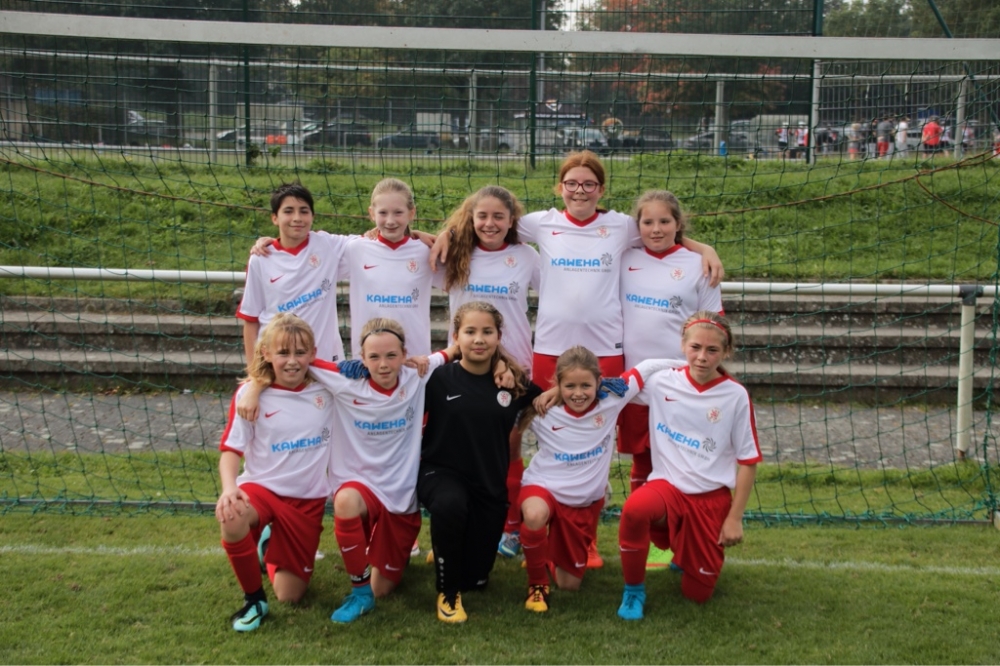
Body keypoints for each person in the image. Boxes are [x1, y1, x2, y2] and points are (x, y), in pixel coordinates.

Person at [430, 150, 724, 568]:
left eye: (588, 184)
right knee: (521, 435)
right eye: (571, 183)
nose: (579, 191)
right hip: (549, 351)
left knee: (596, 442)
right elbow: (489, 221)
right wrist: (446, 233)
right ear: (559, 187)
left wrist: (702, 246)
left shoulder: (621, 226)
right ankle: (519, 526)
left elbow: (661, 230)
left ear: (601, 189)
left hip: (605, 353)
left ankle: (585, 539)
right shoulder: (540, 223)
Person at [616, 311, 762, 621]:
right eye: (695, 347)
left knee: (697, 594)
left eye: (712, 350)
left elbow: (748, 462)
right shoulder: (661, 382)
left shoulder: (735, 395)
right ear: (682, 345)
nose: (702, 357)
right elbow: (607, 390)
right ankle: (633, 592)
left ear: (726, 352)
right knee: (634, 510)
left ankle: (686, 550)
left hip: (710, 499)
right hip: (667, 486)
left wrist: (734, 518)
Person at [516, 346, 676, 613]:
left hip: (581, 504)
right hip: (543, 488)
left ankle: (549, 553)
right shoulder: (541, 408)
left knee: (569, 585)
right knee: (534, 515)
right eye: (569, 386)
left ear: (599, 382)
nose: (578, 393)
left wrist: (692, 366)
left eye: (585, 386)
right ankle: (537, 585)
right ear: (557, 384)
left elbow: (646, 367)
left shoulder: (612, 398)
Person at [418, 301, 541, 623]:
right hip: (440, 472)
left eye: (487, 332)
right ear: (456, 337)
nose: (478, 339)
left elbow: (549, 398)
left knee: (476, 580)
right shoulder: (438, 379)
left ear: (498, 336)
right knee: (450, 504)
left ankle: (450, 551)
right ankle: (447, 595)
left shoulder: (511, 382)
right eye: (470, 331)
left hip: (487, 484)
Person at [436, 185, 541, 560]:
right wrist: (436, 235)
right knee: (461, 447)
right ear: (471, 218)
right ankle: (459, 525)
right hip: (464, 366)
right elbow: (403, 249)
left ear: (512, 220)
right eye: (482, 215)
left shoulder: (526, 256)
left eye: (499, 216)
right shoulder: (455, 253)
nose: (490, 223)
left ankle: (511, 528)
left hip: (513, 367)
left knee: (508, 446)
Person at [216, 313, 332, 632]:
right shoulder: (249, 396)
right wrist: (229, 489)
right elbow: (231, 450)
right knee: (232, 514)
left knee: (290, 595)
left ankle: (267, 546)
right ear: (266, 353)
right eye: (283, 353)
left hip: (306, 500)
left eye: (300, 352)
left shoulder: (328, 390)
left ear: (313, 353)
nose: (292, 361)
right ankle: (254, 600)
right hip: (262, 490)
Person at [618, 191, 723, 494]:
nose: (656, 229)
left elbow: (713, 325)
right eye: (647, 222)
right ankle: (642, 520)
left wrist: (705, 249)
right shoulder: (625, 257)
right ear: (637, 226)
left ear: (678, 223)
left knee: (680, 460)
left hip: (681, 381)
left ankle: (676, 519)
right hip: (636, 380)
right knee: (642, 460)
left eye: (664, 221)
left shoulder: (699, 265)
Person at [237, 182, 352, 363]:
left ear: (312, 216)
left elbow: (372, 243)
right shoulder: (260, 258)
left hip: (324, 361)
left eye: (304, 211)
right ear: (275, 218)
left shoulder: (328, 245)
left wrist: (403, 233)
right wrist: (253, 371)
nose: (297, 218)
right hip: (279, 363)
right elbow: (251, 319)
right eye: (288, 211)